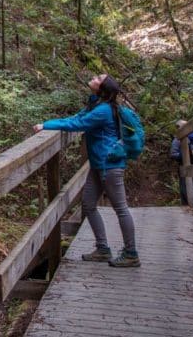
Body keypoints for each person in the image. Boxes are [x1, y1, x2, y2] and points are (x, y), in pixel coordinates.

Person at [33, 73, 139, 267]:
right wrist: (50, 123)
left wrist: (45, 125)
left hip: (110, 166)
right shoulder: (96, 105)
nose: (94, 77)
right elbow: (76, 117)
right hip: (99, 165)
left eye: (98, 78)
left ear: (102, 88)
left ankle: (131, 253)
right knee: (88, 204)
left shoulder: (104, 111)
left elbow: (77, 124)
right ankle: (102, 248)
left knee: (121, 209)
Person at [170, 120, 193, 205]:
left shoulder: (178, 139)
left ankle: (189, 205)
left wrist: (183, 155)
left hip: (185, 166)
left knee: (185, 188)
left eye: (178, 127)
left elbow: (173, 154)